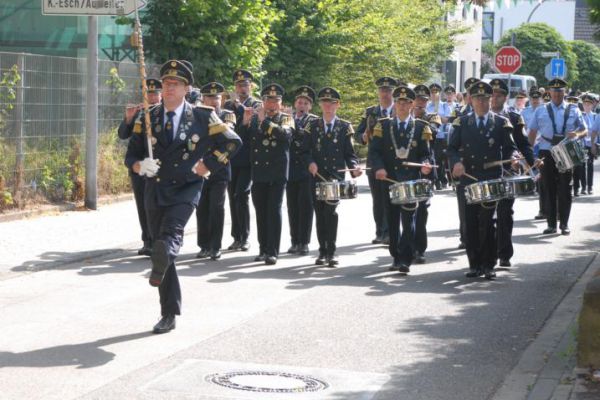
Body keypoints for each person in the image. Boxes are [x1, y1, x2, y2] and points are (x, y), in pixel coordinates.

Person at [125, 60, 241, 333]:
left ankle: (166, 253)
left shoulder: (203, 116)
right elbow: (130, 154)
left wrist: (208, 165)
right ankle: (168, 312)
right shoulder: (148, 117)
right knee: (161, 252)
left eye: (174, 84)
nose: (168, 88)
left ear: (187, 88)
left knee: (169, 236)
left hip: (187, 187)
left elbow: (233, 141)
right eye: (166, 84)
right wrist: (139, 165)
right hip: (155, 188)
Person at [448, 81, 518, 280]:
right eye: (477, 98)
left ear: (490, 100)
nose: (481, 102)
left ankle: (489, 264)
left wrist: (513, 158)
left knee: (488, 222)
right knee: (470, 223)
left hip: (491, 178)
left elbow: (510, 147)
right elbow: (451, 148)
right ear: (470, 100)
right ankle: (474, 264)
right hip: (469, 178)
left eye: (485, 98)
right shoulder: (461, 122)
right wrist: (456, 163)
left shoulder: (500, 122)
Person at [369, 85, 433, 274]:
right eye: (399, 102)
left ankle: (405, 258)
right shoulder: (384, 125)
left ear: (412, 105)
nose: (402, 106)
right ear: (395, 104)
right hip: (390, 180)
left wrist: (426, 165)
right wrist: (379, 168)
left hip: (411, 182)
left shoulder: (422, 127)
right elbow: (374, 151)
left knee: (409, 219)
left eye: (406, 102)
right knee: (392, 219)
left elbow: (425, 154)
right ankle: (395, 255)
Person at [306, 87, 362, 267]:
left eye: (331, 103)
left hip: (335, 178)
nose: (327, 106)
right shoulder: (312, 126)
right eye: (324, 102)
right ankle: (322, 250)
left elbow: (350, 154)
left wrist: (354, 168)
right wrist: (310, 162)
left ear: (337, 105)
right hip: (316, 177)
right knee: (320, 213)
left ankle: (331, 251)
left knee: (331, 212)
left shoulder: (344, 127)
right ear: (320, 104)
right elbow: (303, 150)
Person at [527, 78, 587, 235]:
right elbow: (532, 132)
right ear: (549, 92)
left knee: (565, 188)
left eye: (560, 91)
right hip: (546, 151)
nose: (557, 94)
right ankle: (551, 224)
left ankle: (564, 224)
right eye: (554, 91)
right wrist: (530, 155)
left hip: (566, 150)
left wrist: (577, 134)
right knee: (548, 188)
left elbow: (584, 130)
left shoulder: (574, 109)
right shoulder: (540, 110)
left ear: (564, 93)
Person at [243, 83, 293, 265]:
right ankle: (263, 248)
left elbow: (284, 136)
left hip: (277, 173)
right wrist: (245, 121)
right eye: (268, 100)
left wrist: (264, 121)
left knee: (274, 210)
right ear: (263, 102)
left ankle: (273, 251)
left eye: (275, 101)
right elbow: (244, 140)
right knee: (261, 212)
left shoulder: (286, 119)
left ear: (280, 103)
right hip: (259, 173)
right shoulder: (256, 119)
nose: (272, 104)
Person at [489, 78, 537, 267]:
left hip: (509, 171)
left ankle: (504, 254)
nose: (494, 98)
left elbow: (524, 144)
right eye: (492, 95)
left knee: (505, 213)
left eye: (499, 95)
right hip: (487, 172)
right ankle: (489, 254)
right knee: (486, 215)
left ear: (505, 97)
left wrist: (532, 165)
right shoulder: (479, 115)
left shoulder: (515, 117)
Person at [118, 78, 162, 256]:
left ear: (160, 95)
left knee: (156, 205)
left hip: (158, 167)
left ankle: (159, 240)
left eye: (154, 94)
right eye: (148, 94)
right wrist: (128, 119)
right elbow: (122, 135)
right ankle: (147, 241)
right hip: (139, 167)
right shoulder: (139, 113)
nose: (151, 97)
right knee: (142, 204)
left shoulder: (163, 112)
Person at [195, 82, 237, 260]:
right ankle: (204, 245)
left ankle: (215, 246)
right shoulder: (197, 116)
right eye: (210, 97)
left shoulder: (227, 116)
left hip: (219, 168)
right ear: (203, 99)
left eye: (217, 97)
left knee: (216, 207)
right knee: (201, 207)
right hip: (199, 168)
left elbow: (228, 139)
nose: (214, 101)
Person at [355, 77, 397, 245]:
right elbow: (358, 135)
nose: (385, 94)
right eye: (382, 90)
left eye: (388, 90)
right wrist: (363, 137)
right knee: (377, 199)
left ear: (393, 92)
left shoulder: (398, 110)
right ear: (378, 92)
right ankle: (380, 231)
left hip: (392, 161)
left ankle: (389, 231)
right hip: (374, 161)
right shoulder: (371, 112)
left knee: (389, 198)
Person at [224, 69, 261, 252]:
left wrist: (243, 117)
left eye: (245, 84)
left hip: (248, 158)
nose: (242, 88)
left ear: (251, 86)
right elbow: (229, 131)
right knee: (232, 197)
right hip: (232, 158)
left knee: (241, 195)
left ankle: (244, 237)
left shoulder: (257, 105)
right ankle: (236, 236)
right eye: (239, 85)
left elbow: (253, 131)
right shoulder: (229, 106)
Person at [287, 86, 319, 255]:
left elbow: (303, 138)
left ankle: (304, 241)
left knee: (306, 206)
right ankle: (294, 241)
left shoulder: (313, 121)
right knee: (292, 206)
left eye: (305, 103)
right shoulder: (287, 118)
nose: (302, 105)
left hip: (306, 169)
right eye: (299, 102)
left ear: (310, 106)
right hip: (289, 168)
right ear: (295, 103)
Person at [449, 78, 479, 250]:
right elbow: (451, 141)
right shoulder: (459, 113)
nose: (471, 96)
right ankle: (465, 236)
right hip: (463, 164)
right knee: (464, 204)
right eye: (469, 93)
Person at [412, 84, 440, 264]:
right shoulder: (402, 117)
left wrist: (421, 119)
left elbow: (435, 133)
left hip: (425, 168)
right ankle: (407, 246)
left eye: (424, 100)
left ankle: (419, 249)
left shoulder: (431, 117)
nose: (421, 103)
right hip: (406, 169)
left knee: (421, 210)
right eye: (418, 99)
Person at [521, 86, 546, 220]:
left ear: (540, 99)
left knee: (548, 179)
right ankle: (543, 209)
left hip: (544, 145)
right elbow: (522, 130)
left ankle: (555, 210)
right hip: (531, 146)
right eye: (533, 98)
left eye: (537, 99)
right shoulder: (524, 112)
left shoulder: (545, 111)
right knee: (539, 177)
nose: (535, 101)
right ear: (530, 99)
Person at [574, 93, 596, 196]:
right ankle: (583, 187)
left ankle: (590, 186)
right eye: (585, 104)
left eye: (589, 104)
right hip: (581, 143)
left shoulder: (595, 116)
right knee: (581, 166)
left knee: (590, 165)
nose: (586, 106)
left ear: (592, 105)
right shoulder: (580, 115)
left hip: (591, 143)